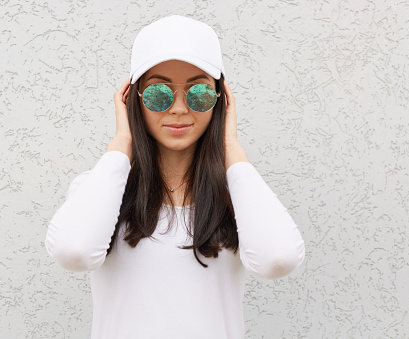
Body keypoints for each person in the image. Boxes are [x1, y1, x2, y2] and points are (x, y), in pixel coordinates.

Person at [45, 15, 305, 339]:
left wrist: (232, 151)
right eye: (158, 94)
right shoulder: (100, 189)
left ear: (220, 101)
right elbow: (74, 252)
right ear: (133, 100)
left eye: (198, 93)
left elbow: (278, 259)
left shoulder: (239, 196)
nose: (179, 108)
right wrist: (121, 145)